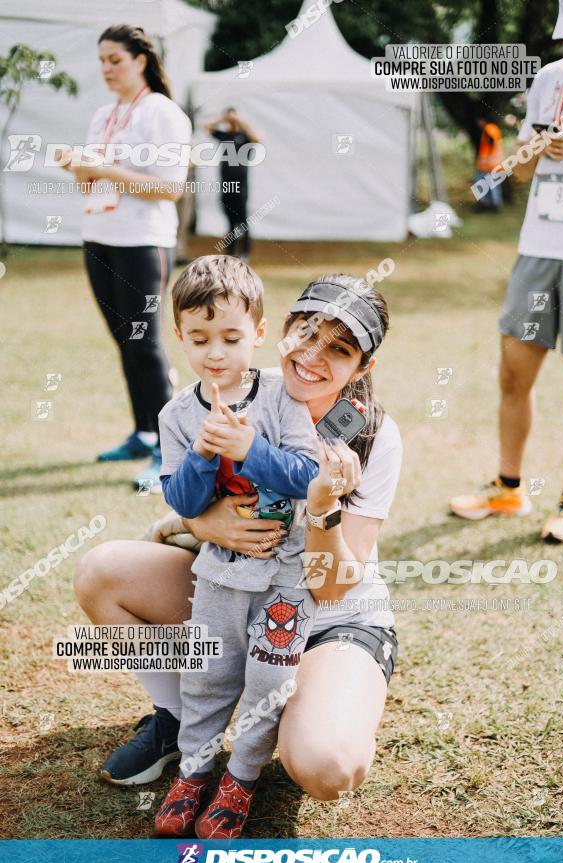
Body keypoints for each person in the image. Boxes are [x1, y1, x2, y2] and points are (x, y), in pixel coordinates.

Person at [74, 271, 402, 815]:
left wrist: (322, 508)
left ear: (364, 367)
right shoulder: (244, 385)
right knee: (102, 572)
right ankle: (176, 718)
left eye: (339, 350)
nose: (313, 358)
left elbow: (335, 585)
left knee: (328, 767)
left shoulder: (372, 434)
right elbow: (185, 496)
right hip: (234, 587)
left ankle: (290, 715)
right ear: (281, 330)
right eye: (308, 334)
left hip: (326, 616)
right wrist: (204, 526)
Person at [152, 255, 319, 838]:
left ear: (259, 333)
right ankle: (195, 771)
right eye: (199, 339)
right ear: (179, 337)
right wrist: (202, 453)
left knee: (268, 681)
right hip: (221, 574)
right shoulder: (176, 415)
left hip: (286, 576)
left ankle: (241, 779)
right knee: (208, 674)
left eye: (230, 337)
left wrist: (249, 447)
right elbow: (185, 501)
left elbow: (307, 475)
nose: (215, 353)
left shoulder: (279, 398)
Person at [451, 4, 563, 544]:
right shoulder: (551, 77)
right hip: (540, 244)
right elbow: (523, 169)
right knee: (514, 371)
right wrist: (531, 150)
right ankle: (508, 487)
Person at [63, 25, 191, 491]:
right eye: (101, 61)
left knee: (145, 343)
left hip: (145, 240)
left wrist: (103, 169)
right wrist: (79, 168)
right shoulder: (105, 114)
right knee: (124, 341)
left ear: (141, 60)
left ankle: (168, 451)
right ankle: (142, 433)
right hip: (99, 235)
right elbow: (91, 183)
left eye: (114, 59)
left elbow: (170, 187)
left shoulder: (163, 113)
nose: (106, 70)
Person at [204, 108, 260, 260]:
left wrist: (240, 120)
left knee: (242, 221)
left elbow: (257, 137)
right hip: (226, 185)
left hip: (241, 186)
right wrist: (222, 119)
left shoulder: (245, 136)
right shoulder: (225, 135)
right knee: (229, 221)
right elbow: (206, 127)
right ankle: (231, 253)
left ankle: (245, 253)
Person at [474, 115, 504, 210]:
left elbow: (491, 142)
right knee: (492, 184)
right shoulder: (494, 129)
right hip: (494, 163)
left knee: (485, 184)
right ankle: (493, 204)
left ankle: (491, 204)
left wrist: (483, 160)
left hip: (489, 164)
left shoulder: (489, 128)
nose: (478, 123)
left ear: (483, 120)